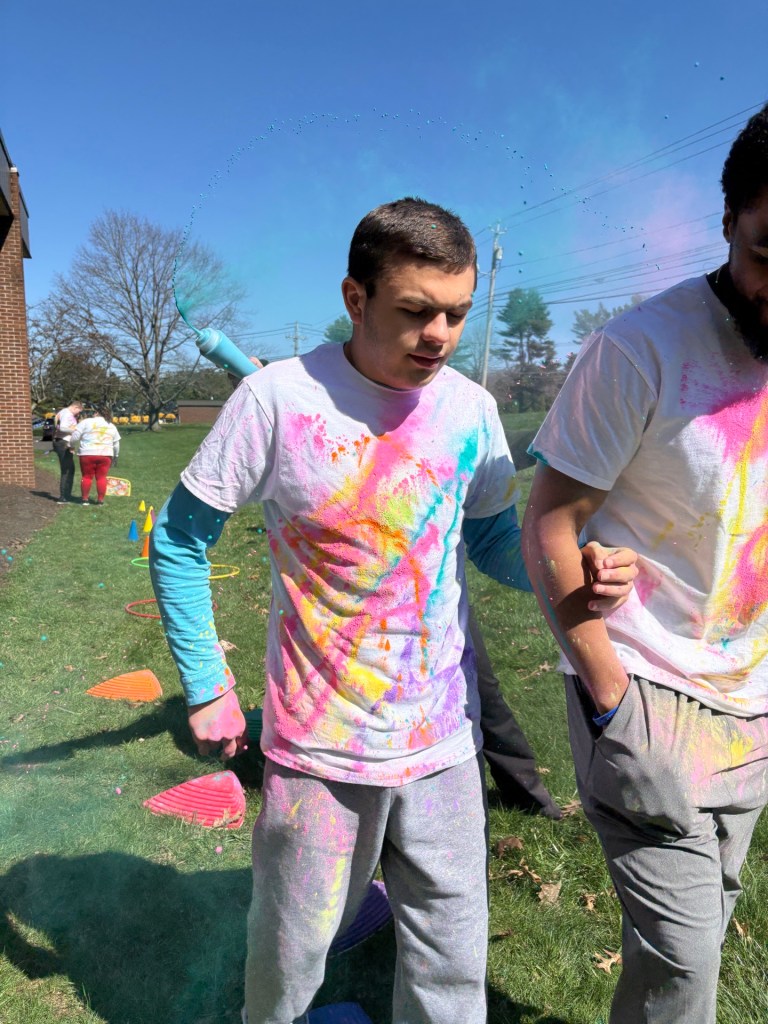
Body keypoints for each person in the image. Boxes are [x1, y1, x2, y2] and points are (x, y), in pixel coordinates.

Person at [150, 197, 638, 1024]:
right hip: (316, 746)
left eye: (455, 313)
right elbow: (178, 541)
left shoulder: (473, 411)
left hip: (444, 738)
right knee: (292, 949)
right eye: (415, 311)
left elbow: (487, 547)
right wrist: (205, 683)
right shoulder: (276, 400)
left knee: (452, 956)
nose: (439, 336)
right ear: (355, 297)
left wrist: (570, 577)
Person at [521, 103, 768, 1024]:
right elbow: (548, 518)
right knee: (685, 974)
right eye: (767, 256)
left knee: (701, 930)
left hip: (754, 696)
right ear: (729, 224)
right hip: (649, 690)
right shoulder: (637, 350)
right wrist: (610, 694)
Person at [70, 405, 121, 506]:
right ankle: (100, 501)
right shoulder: (111, 425)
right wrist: (116, 455)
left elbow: (75, 436)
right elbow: (116, 443)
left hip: (87, 453)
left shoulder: (85, 422)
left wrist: (71, 445)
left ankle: (85, 499)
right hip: (105, 454)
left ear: (97, 413)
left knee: (87, 477)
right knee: (101, 478)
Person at [52, 400, 83, 504]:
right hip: (63, 443)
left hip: (62, 442)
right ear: (75, 407)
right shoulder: (67, 413)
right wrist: (77, 430)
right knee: (67, 469)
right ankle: (63, 497)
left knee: (70, 469)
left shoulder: (62, 412)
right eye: (78, 411)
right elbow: (63, 427)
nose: (78, 414)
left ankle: (67, 495)